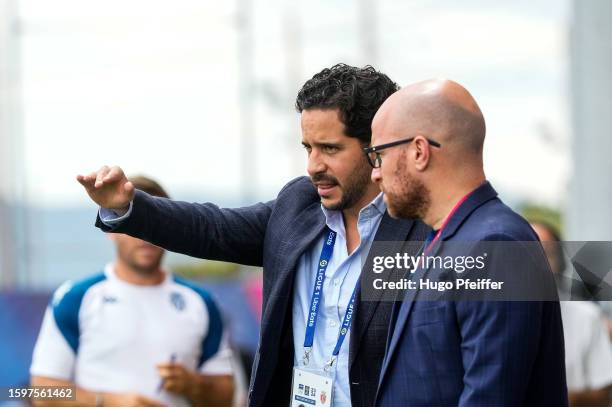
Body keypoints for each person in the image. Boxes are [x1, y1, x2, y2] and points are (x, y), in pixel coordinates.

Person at [76, 64, 430, 407]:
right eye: (308, 148)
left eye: (330, 148)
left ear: (376, 147)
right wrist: (129, 206)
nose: (313, 165)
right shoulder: (298, 205)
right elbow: (211, 228)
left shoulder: (426, 228)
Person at [367, 79, 567, 406]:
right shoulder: (448, 237)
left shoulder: (495, 246)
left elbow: (490, 398)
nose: (376, 173)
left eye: (378, 154)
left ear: (419, 151)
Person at [31, 176, 235, 407]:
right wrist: (107, 402)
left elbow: (226, 397)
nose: (144, 236)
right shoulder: (75, 298)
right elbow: (41, 392)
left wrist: (193, 384)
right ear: (111, 229)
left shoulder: (201, 302)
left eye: (154, 224)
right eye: (133, 223)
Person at [532, 221, 612, 407]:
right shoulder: (489, 315)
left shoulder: (587, 318)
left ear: (561, 263)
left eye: (546, 253)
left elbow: (603, 395)